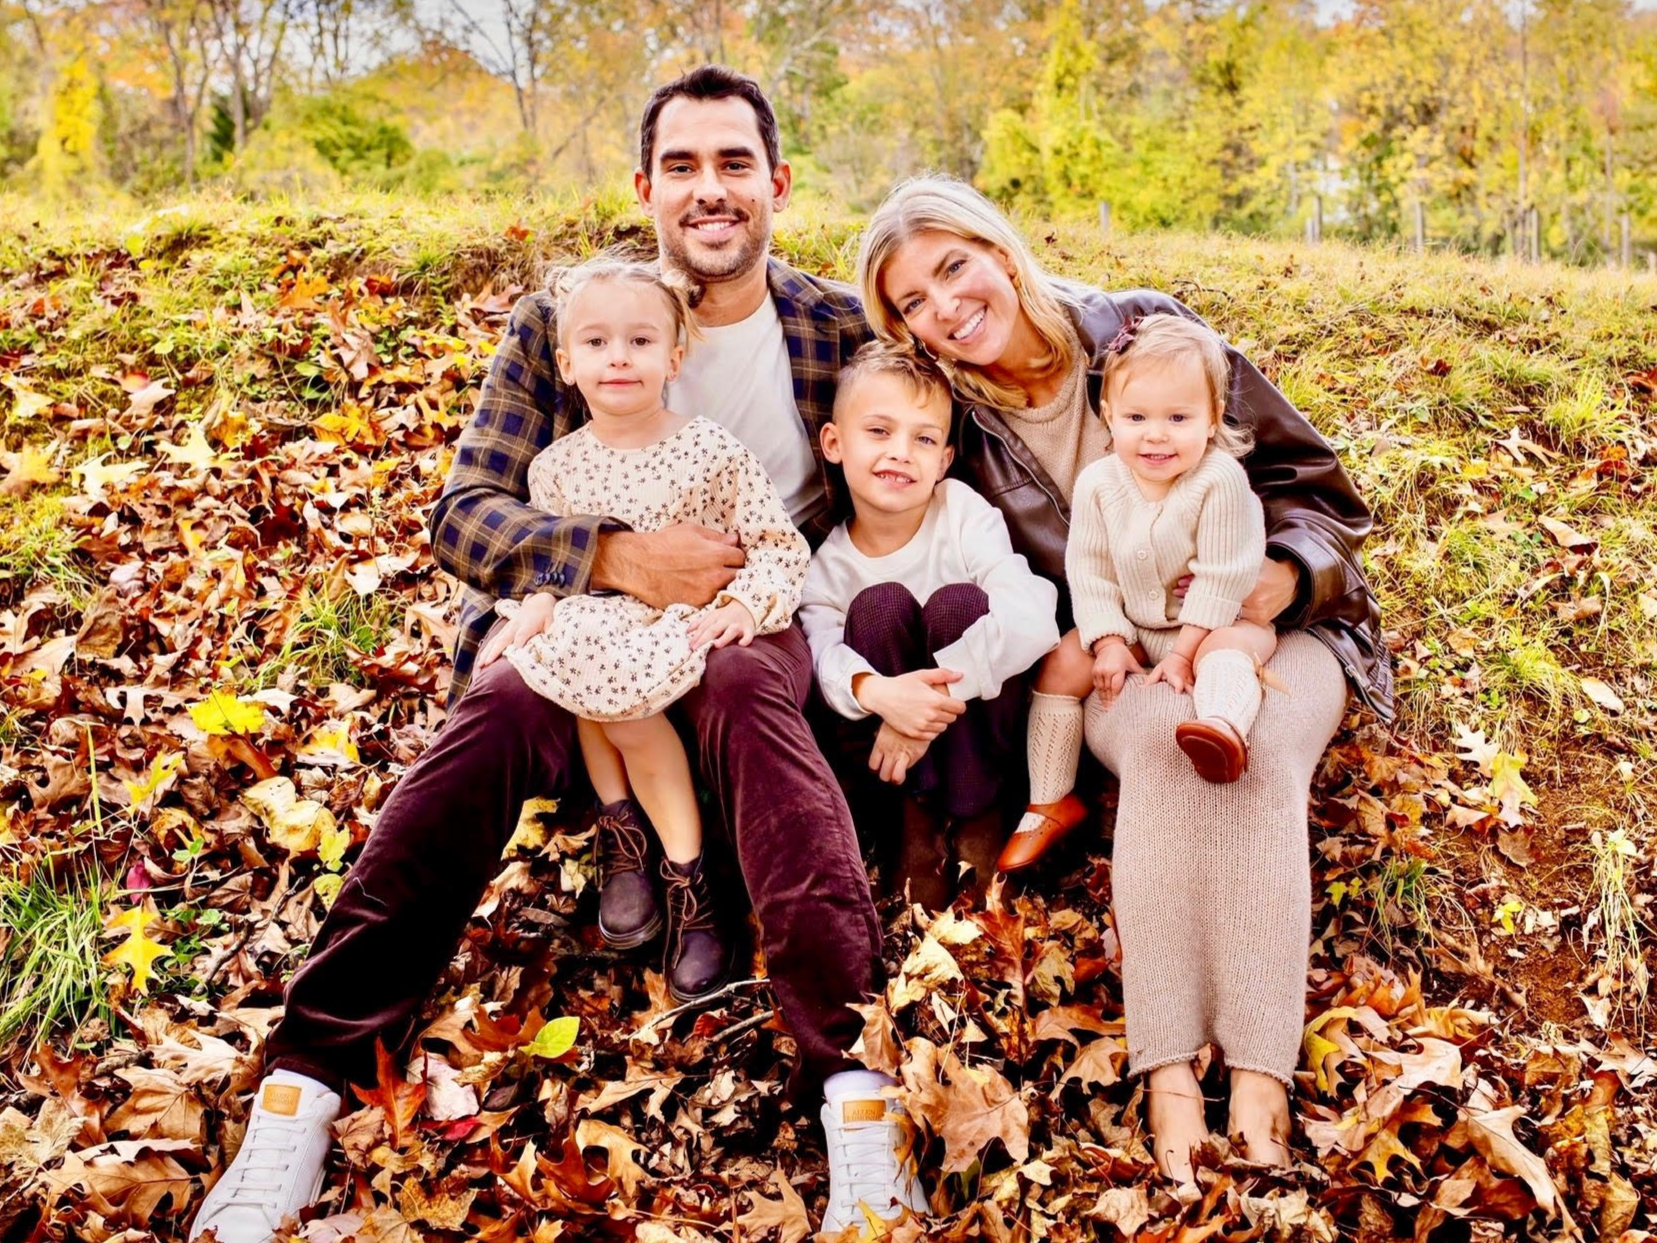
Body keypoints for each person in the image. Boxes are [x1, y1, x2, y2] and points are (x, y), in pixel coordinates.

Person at [190, 67, 925, 1243]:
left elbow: (954, 424)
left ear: (777, 183)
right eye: (681, 166)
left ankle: (857, 1085)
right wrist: (617, 558)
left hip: (749, 626)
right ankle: (309, 1077)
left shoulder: (833, 326)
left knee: (743, 683)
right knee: (487, 715)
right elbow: (468, 510)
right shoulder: (571, 317)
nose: (709, 190)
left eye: (734, 163)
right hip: (586, 618)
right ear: (646, 187)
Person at [857, 176, 1392, 1187]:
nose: (943, 307)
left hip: (1271, 629)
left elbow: (1322, 492)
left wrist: (1281, 578)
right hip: (1122, 653)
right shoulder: (955, 434)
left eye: (951, 268)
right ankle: (1169, 1077)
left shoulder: (1146, 331)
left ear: (1000, 252)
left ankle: (1262, 1075)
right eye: (910, 304)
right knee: (1159, 748)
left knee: (1260, 753)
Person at [486, 257, 810, 1001]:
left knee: (624, 710)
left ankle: (689, 874)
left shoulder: (709, 450)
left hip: (674, 622)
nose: (618, 357)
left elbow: (775, 544)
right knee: (572, 660)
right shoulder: (556, 467)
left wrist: (743, 607)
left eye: (638, 341)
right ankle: (621, 832)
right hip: (593, 623)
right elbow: (555, 568)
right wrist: (535, 603)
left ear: (673, 356)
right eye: (596, 344)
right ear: (567, 365)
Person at [799, 341, 1059, 910]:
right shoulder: (827, 565)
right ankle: (913, 829)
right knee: (880, 606)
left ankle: (978, 818)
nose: (901, 453)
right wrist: (882, 694)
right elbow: (820, 657)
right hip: (891, 777)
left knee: (959, 605)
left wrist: (927, 707)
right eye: (879, 431)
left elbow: (1033, 612)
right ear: (835, 443)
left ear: (943, 460)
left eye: (923, 438)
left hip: (985, 757)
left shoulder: (961, 513)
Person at [1016, 313, 1276, 849]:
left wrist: (1183, 655)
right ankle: (1049, 798)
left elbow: (1223, 576)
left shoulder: (1219, 479)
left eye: (1178, 418)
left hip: (1213, 622)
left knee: (1232, 647)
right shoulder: (1098, 483)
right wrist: (1109, 640)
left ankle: (1223, 727)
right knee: (1063, 661)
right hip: (1137, 624)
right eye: (1136, 417)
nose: (1156, 435)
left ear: (1212, 418)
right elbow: (1090, 571)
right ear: (1109, 416)